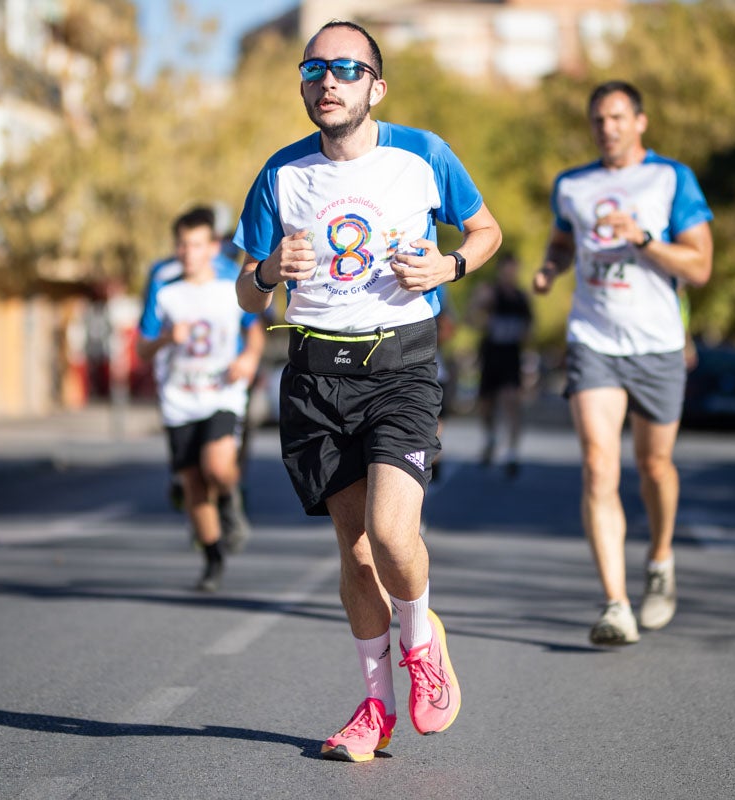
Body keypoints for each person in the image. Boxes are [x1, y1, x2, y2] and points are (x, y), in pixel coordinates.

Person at [232, 21, 502, 762]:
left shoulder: (423, 156)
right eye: (314, 68)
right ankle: (374, 709)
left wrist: (448, 268)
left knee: (391, 535)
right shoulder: (281, 175)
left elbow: (486, 230)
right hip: (316, 374)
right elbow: (245, 295)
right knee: (354, 557)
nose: (328, 80)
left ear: (375, 87)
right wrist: (267, 273)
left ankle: (421, 636)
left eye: (347, 69)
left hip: (401, 367)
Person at [532, 81, 713, 646]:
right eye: (598, 119)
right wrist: (550, 267)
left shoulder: (671, 179)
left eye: (616, 117)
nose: (606, 127)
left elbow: (701, 265)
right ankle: (616, 604)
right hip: (594, 338)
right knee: (597, 464)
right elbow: (563, 242)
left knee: (654, 466)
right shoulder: (573, 185)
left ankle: (660, 561)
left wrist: (644, 238)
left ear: (640, 121)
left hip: (657, 341)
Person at [137, 207, 263, 592]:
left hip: (221, 392)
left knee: (217, 466)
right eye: (181, 244)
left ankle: (229, 499)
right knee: (192, 483)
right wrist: (164, 340)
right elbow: (143, 348)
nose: (187, 252)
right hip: (179, 398)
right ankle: (212, 558)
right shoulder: (165, 288)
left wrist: (248, 358)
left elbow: (254, 330)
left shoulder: (230, 285)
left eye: (196, 244)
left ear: (212, 246)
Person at [470, 252, 533, 478]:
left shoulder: (521, 297)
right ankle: (490, 438)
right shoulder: (490, 293)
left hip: (511, 355)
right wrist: (481, 305)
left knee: (511, 402)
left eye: (513, 270)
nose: (510, 274)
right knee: (486, 403)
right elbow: (473, 319)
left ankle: (512, 453)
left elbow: (529, 327)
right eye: (507, 270)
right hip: (491, 353)